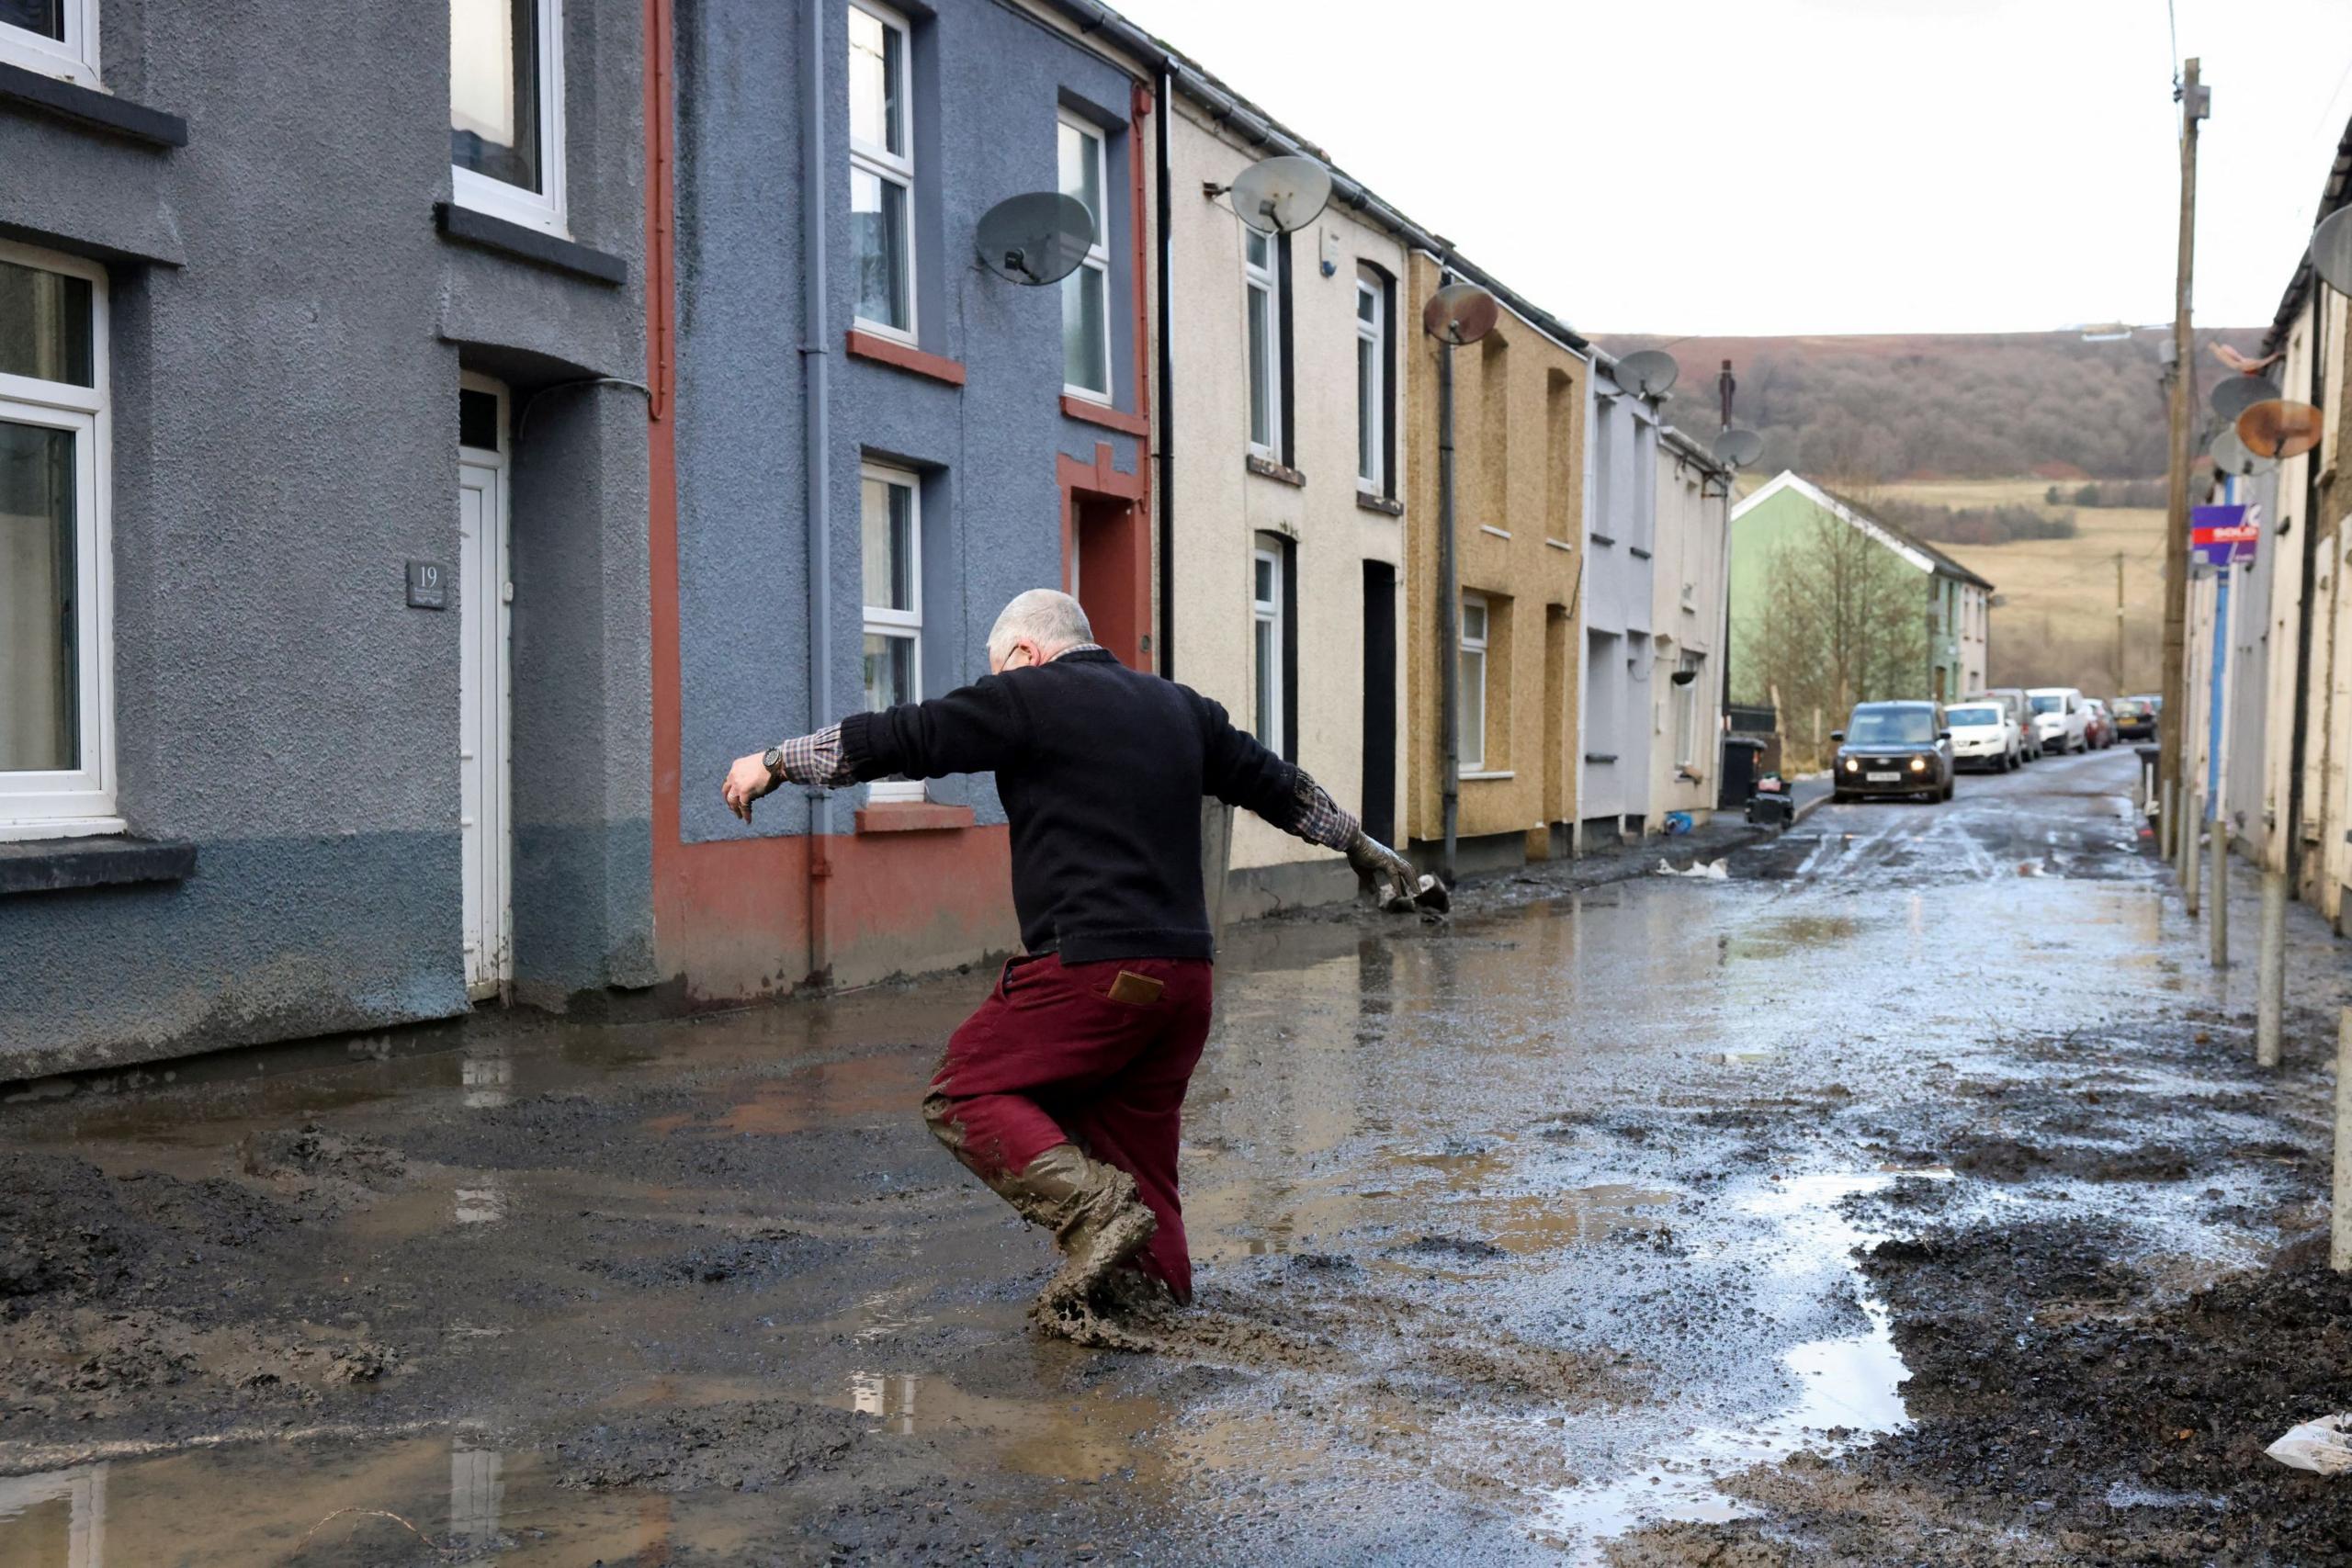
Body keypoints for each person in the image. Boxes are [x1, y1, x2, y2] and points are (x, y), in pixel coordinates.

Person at [721, 589, 1416, 1323]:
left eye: (1000, 668)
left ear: (1025, 653)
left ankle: (1092, 1210)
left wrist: (776, 761)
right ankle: (1161, 1314)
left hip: (1092, 972)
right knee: (1141, 1164)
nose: (997, 682)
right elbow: (1280, 785)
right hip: (1183, 985)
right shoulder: (1182, 709)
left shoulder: (1028, 697)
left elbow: (903, 735)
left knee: (964, 1089)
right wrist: (1361, 845)